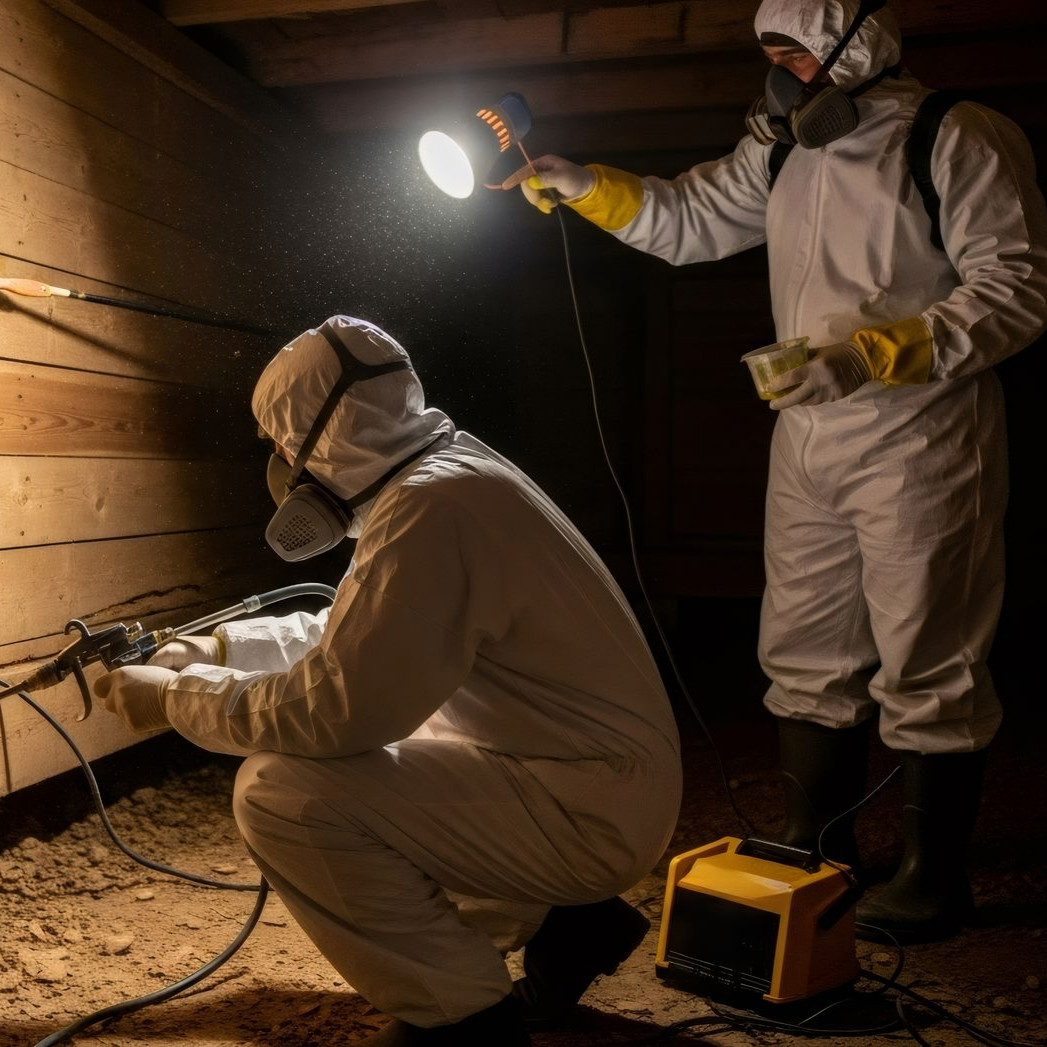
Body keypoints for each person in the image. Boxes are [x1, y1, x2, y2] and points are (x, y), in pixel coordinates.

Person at [502, 0, 1047, 942]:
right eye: (769, 53)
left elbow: (1019, 284)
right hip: (808, 434)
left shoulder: (954, 133)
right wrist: (587, 185)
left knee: (929, 653)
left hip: (922, 433)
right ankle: (816, 845)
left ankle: (933, 876)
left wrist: (878, 353)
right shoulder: (784, 149)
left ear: (861, 47)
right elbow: (689, 217)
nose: (778, 72)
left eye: (794, 52)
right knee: (802, 645)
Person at [91, 315, 682, 1044]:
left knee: (287, 792)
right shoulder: (446, 476)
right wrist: (213, 647)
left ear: (320, 436)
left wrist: (176, 697)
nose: (281, 461)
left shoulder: (432, 509)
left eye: (281, 439)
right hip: (589, 781)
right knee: (394, 733)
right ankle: (570, 923)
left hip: (584, 810)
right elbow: (363, 633)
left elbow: (339, 709)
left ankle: (462, 1019)